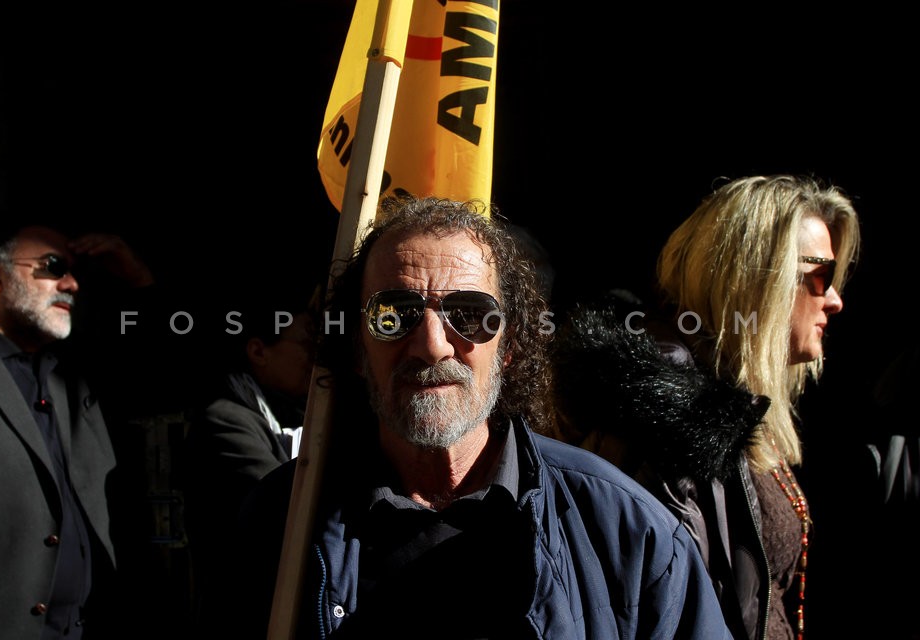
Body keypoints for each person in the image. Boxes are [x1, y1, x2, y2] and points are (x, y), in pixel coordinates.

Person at [213, 195, 733, 639]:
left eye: (469, 314)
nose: (432, 345)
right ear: (356, 347)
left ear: (509, 347)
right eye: (393, 314)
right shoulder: (280, 523)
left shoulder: (629, 531)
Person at [558, 175, 858, 640]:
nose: (835, 300)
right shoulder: (670, 425)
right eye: (821, 276)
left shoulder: (737, 406)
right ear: (756, 279)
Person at [0, 214, 154, 639]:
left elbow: (165, 376)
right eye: (52, 267)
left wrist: (137, 278)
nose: (71, 284)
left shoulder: (74, 369)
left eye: (74, 271)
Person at [182, 290, 318, 617]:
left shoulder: (287, 414)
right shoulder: (225, 420)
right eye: (306, 345)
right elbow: (287, 507)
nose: (316, 359)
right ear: (258, 351)